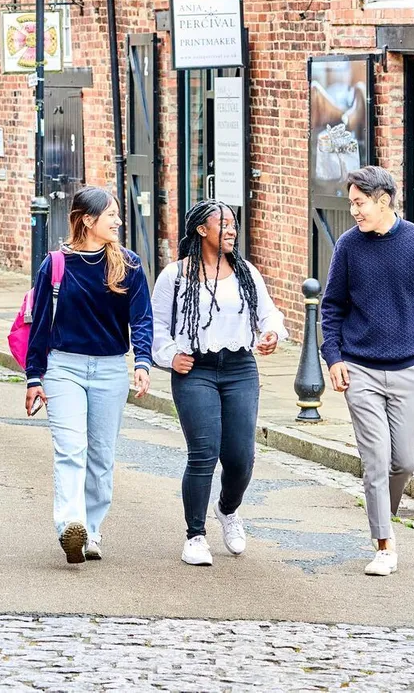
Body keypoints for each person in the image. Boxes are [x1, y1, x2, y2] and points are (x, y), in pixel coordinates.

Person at [320, 166, 414, 577]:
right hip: (361, 370)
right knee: (376, 461)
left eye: (359, 203)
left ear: (383, 200)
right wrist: (334, 357)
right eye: (351, 203)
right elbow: (332, 306)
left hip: (411, 370)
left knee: (405, 462)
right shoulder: (348, 246)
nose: (354, 211)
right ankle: (384, 544)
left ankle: (383, 516)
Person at [151, 200, 286, 566]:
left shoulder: (245, 272)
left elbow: (269, 312)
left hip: (240, 367)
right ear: (201, 230)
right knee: (203, 453)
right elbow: (157, 327)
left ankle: (227, 510)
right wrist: (168, 356)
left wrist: (271, 332)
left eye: (233, 224)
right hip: (195, 370)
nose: (231, 230)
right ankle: (195, 535)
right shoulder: (174, 276)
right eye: (222, 224)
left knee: (241, 458)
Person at [24, 186, 153, 564]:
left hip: (111, 370)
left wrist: (142, 362)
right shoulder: (56, 264)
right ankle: (70, 526)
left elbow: (142, 319)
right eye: (111, 214)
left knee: (100, 456)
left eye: (117, 214)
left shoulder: (127, 264)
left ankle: (91, 531)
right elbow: (40, 325)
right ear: (87, 220)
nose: (118, 220)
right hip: (63, 368)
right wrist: (34, 377)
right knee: (70, 450)